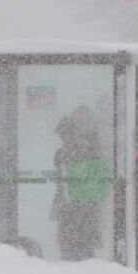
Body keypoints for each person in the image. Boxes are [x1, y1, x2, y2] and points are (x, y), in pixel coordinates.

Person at [51, 105, 109, 261]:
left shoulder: (92, 151)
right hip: (75, 206)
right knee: (76, 246)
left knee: (81, 247)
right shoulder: (69, 151)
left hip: (81, 206)